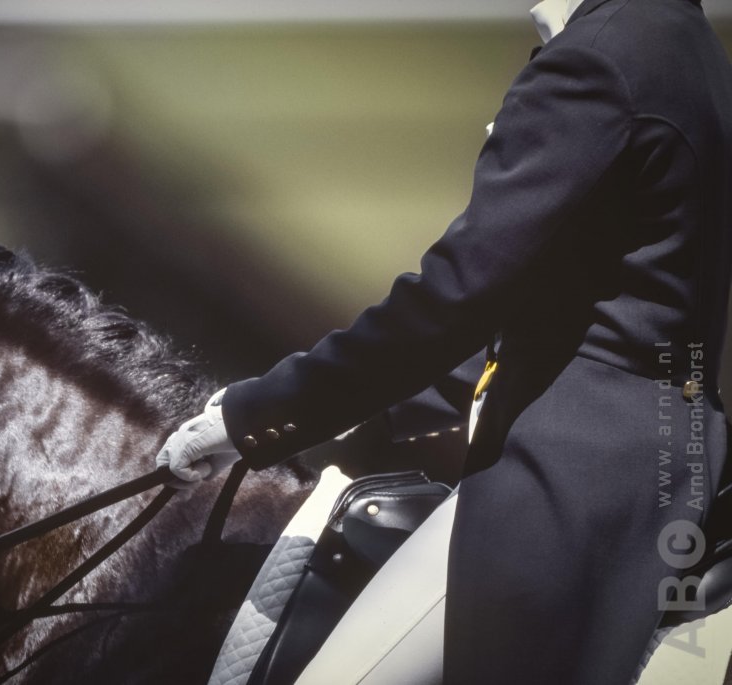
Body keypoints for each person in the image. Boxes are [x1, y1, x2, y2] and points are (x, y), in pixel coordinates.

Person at [156, 0, 732, 683]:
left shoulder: (597, 60)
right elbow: (582, 307)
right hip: (670, 458)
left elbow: (453, 295)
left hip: (561, 489)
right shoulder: (690, 46)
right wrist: (387, 406)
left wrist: (259, 410)